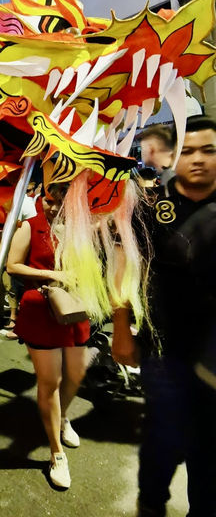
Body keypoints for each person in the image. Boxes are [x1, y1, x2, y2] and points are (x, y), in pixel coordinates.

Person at [113, 115, 216, 517]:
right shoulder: (152, 207)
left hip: (214, 356)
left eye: (209, 151)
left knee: (209, 451)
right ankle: (151, 504)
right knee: (164, 439)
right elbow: (126, 270)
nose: (199, 160)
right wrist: (121, 328)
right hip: (163, 348)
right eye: (190, 150)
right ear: (175, 155)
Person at [7, 184, 90, 489]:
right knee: (50, 381)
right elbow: (12, 265)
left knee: (77, 374)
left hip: (75, 308)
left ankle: (63, 416)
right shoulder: (30, 227)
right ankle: (56, 453)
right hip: (41, 309)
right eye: (49, 200)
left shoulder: (80, 228)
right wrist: (53, 275)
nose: (53, 207)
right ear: (41, 198)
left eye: (60, 202)